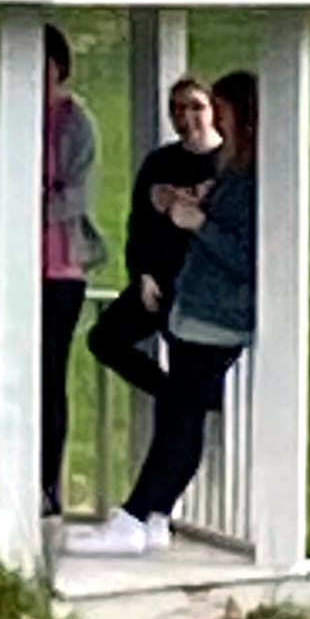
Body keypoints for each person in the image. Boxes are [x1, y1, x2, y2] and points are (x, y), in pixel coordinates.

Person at [68, 71, 258, 557]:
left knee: (178, 419)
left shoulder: (258, 177)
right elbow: (151, 225)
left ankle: (133, 518)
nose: (200, 117)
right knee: (180, 412)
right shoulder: (227, 169)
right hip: (189, 307)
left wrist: (198, 223)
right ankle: (155, 514)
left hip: (218, 316)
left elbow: (251, 254)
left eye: (213, 107)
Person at [0, 23, 106, 517]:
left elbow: (77, 194)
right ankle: (8, 477)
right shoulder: (4, 119)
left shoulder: (77, 123)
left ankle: (47, 482)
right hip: (8, 266)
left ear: (59, 69)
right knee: (10, 374)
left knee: (49, 376)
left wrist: (29, 210)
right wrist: (1, 212)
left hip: (59, 267)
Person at [85, 78, 222, 397]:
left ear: (214, 110)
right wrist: (142, 275)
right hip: (160, 279)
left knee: (191, 355)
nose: (186, 117)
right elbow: (140, 225)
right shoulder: (159, 163)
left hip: (204, 286)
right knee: (105, 339)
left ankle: (197, 401)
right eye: (177, 108)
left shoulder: (226, 165)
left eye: (196, 107)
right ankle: (168, 392)